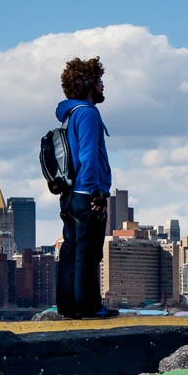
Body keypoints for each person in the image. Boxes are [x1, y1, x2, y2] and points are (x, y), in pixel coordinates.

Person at [55, 56, 119, 319]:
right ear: (90, 83)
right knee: (88, 254)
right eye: (100, 81)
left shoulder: (69, 114)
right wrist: (96, 192)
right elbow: (88, 155)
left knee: (71, 251)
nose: (103, 86)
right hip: (86, 193)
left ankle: (68, 307)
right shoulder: (88, 113)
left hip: (70, 195)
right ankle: (89, 307)